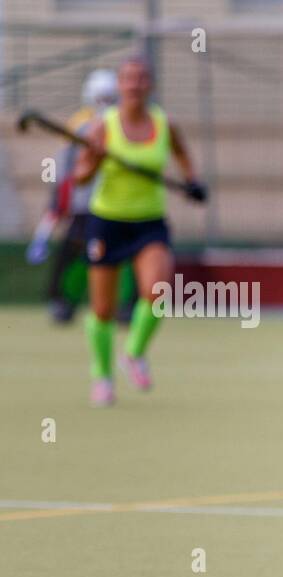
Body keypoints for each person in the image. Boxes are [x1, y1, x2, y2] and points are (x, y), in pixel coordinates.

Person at [73, 55, 206, 407]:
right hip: (107, 222)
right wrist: (96, 158)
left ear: (151, 85)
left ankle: (133, 353)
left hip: (149, 223)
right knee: (103, 309)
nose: (134, 84)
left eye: (141, 78)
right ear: (119, 86)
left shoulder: (165, 125)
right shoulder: (103, 127)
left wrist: (193, 182)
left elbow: (183, 155)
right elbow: (80, 177)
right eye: (128, 78)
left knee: (159, 290)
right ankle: (102, 378)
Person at [26, 68, 136, 326]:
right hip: (85, 205)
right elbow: (69, 171)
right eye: (101, 98)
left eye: (109, 97)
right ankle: (64, 301)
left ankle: (126, 305)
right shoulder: (81, 125)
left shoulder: (127, 124)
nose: (105, 104)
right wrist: (49, 224)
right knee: (80, 254)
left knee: (125, 256)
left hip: (120, 204)